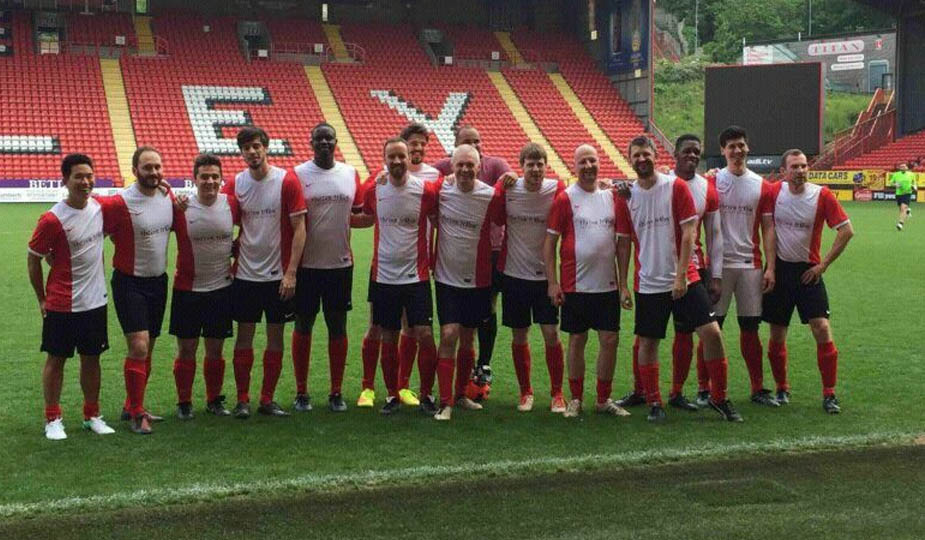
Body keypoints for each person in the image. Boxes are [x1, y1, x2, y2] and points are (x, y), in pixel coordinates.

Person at [615, 137, 742, 422]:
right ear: (630, 159)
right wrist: (623, 284)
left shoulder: (676, 187)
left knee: (711, 334)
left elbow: (689, 233)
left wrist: (682, 275)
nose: (641, 160)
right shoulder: (626, 196)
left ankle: (719, 398)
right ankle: (654, 403)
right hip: (648, 281)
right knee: (648, 342)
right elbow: (623, 244)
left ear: (655, 154)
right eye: (636, 156)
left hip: (685, 278)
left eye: (646, 154)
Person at [27, 154, 116, 440]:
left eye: (89, 175)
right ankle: (52, 418)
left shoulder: (100, 208)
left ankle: (92, 415)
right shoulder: (52, 219)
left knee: (92, 359)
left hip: (95, 302)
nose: (85, 181)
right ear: (65, 179)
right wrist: (42, 299)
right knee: (56, 360)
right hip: (62, 303)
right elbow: (33, 259)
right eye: (78, 176)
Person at [221, 126, 307, 419]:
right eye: (246, 148)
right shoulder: (235, 183)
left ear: (266, 147)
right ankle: (243, 400)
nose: (252, 152)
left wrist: (291, 273)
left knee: (275, 338)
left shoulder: (286, 181)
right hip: (245, 275)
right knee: (243, 337)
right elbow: (220, 221)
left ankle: (266, 399)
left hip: (277, 277)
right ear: (241, 152)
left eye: (256, 146)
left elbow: (300, 230)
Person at [763, 149, 853, 413]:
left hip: (808, 271)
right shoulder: (772, 192)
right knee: (777, 332)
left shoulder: (821, 195)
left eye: (803, 166)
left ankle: (829, 394)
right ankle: (781, 389)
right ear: (784, 171)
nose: (800, 171)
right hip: (779, 271)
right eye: (794, 167)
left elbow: (847, 231)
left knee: (822, 327)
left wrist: (822, 266)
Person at [357, 123, 441, 409]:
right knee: (388, 336)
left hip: (416, 276)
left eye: (400, 156)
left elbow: (442, 216)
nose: (396, 161)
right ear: (384, 159)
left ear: (408, 159)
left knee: (425, 335)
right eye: (391, 157)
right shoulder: (374, 189)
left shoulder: (426, 190)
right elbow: (362, 214)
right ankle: (392, 394)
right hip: (383, 276)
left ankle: (427, 394)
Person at [544, 144, 629, 419]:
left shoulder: (612, 197)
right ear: (574, 166)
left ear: (599, 163)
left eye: (592, 161)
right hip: (575, 286)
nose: (588, 166)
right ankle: (576, 398)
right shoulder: (565, 198)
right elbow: (550, 243)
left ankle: (603, 399)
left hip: (607, 286)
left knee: (610, 339)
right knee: (577, 340)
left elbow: (623, 243)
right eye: (582, 162)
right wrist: (553, 283)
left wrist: (624, 283)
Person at [101, 146, 176, 435]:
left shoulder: (167, 196)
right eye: (147, 167)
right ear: (134, 171)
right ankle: (136, 413)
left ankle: (132, 403)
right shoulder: (119, 203)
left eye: (157, 166)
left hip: (158, 282)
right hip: (129, 282)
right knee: (139, 346)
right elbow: (94, 229)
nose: (154, 172)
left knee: (149, 349)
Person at [433, 125, 513, 394]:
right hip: (454, 259)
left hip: (491, 251)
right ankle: (450, 389)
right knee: (454, 329)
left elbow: (513, 185)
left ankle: (484, 365)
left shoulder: (496, 167)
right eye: (468, 142)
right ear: (454, 150)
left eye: (478, 141)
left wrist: (511, 178)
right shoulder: (443, 175)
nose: (475, 145)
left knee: (487, 311)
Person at [291, 123, 364, 413]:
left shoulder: (350, 173)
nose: (324, 143)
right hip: (307, 266)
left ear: (336, 142)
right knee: (303, 326)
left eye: (329, 138)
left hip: (339, 265)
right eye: (319, 139)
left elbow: (358, 214)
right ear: (311, 143)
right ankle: (301, 392)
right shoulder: (297, 174)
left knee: (337, 327)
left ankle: (336, 392)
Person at [495, 143, 567, 413]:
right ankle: (526, 392)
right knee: (519, 335)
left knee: (551, 333)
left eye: (540, 164)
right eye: (530, 164)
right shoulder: (510, 188)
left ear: (546, 166)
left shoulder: (556, 189)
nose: (535, 169)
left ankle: (557, 393)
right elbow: (495, 217)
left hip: (545, 277)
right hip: (514, 275)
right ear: (522, 165)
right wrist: (501, 186)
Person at [711, 126, 779, 407]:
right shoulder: (712, 181)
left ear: (747, 148)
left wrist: (771, 267)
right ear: (723, 151)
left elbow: (768, 228)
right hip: (719, 266)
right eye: (731, 146)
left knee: (750, 328)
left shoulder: (761, 185)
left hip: (751, 265)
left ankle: (758, 387)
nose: (737, 150)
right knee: (713, 329)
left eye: (741, 145)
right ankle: (706, 389)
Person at [169, 153, 238, 419]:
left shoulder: (231, 204)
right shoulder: (180, 208)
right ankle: (184, 402)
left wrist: (238, 247)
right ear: (194, 179)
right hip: (187, 289)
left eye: (214, 177)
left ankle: (214, 400)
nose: (209, 181)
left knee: (215, 349)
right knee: (186, 348)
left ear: (221, 179)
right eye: (204, 177)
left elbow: (255, 228)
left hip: (221, 288)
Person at [887, 163, 916, 230]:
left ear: (906, 167)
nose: (902, 167)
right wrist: (895, 184)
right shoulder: (896, 174)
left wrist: (914, 187)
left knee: (903, 208)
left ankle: (900, 224)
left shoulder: (911, 174)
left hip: (907, 193)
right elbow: (890, 182)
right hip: (899, 194)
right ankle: (907, 211)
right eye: (901, 167)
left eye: (904, 166)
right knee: (901, 209)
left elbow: (914, 183)